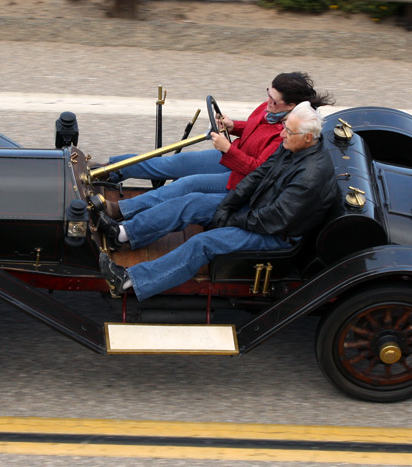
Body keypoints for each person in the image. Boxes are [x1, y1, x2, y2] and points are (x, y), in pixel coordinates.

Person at [98, 101, 336, 301]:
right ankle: (121, 234)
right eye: (284, 127)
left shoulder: (309, 178)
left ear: (307, 137)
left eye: (288, 131)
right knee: (193, 202)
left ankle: (129, 281)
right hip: (259, 207)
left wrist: (232, 218)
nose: (282, 133)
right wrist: (229, 203)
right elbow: (259, 176)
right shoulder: (294, 145)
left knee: (204, 243)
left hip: (276, 234)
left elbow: (274, 219)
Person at [94, 73, 333, 250]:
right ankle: (108, 171)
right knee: (170, 165)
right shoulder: (270, 110)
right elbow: (254, 127)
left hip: (239, 172)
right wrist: (233, 126)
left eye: (273, 100)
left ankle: (121, 211)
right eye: (267, 94)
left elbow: (258, 171)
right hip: (232, 155)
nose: (267, 101)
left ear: (290, 107)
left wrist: (228, 149)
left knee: (185, 187)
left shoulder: (287, 133)